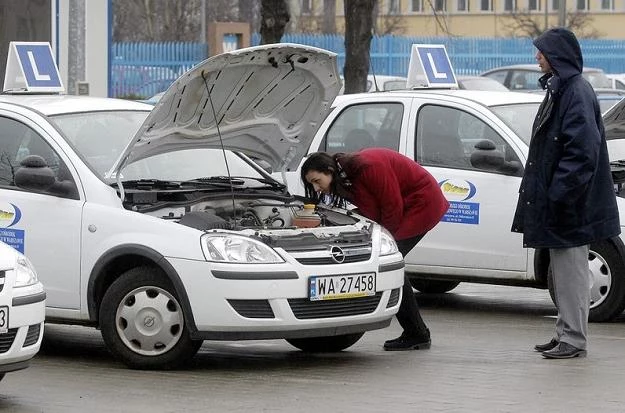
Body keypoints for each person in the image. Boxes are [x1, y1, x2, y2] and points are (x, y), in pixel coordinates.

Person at [511, 28, 620, 359]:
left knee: (571, 274)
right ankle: (565, 332)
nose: (536, 57)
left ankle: (573, 339)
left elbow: (581, 153)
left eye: (541, 51)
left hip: (573, 206)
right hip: (565, 203)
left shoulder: (575, 92)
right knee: (562, 272)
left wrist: (559, 195)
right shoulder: (561, 89)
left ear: (556, 55)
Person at [300, 147, 449, 350]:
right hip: (405, 206)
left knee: (390, 265)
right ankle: (416, 332)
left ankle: (417, 333)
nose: (316, 188)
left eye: (317, 181)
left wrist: (381, 244)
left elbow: (392, 208)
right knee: (387, 263)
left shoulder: (368, 167)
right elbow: (371, 209)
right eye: (312, 184)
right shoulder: (347, 175)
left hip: (421, 204)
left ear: (329, 170)